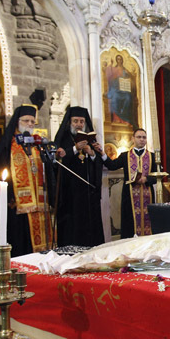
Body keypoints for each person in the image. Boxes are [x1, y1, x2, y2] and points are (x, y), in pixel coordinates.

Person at [0, 104, 53, 256]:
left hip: (40, 204)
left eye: (32, 122)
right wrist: (9, 196)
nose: (30, 124)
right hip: (18, 205)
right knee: (22, 243)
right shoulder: (8, 145)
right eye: (26, 121)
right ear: (17, 121)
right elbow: (1, 170)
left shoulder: (36, 146)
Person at [53, 106, 104, 247]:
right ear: (69, 122)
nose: (79, 124)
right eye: (75, 121)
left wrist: (92, 154)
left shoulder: (90, 141)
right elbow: (57, 162)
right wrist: (75, 149)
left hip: (88, 192)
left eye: (82, 121)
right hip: (70, 192)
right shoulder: (63, 139)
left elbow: (98, 164)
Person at [100, 128, 157, 237]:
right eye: (139, 137)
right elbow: (112, 165)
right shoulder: (125, 156)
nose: (142, 139)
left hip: (147, 194)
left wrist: (147, 179)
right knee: (130, 222)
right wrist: (102, 153)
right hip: (129, 195)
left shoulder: (152, 156)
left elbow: (158, 176)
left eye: (144, 137)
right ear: (133, 139)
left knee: (148, 220)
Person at [106, 55, 134, 124]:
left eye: (120, 59)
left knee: (128, 98)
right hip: (116, 90)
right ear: (116, 60)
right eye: (118, 59)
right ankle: (117, 118)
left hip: (124, 90)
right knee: (115, 97)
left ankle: (124, 117)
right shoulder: (114, 69)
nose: (119, 61)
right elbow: (110, 80)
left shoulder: (125, 70)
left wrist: (129, 75)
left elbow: (130, 79)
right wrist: (116, 79)